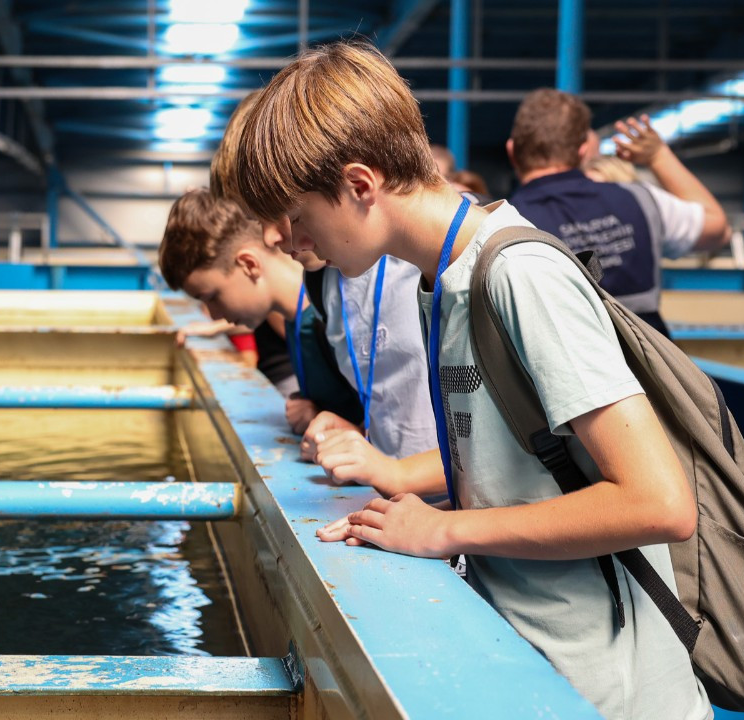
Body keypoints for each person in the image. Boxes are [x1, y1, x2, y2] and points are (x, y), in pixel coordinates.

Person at [231, 39, 709, 720]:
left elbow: (660, 504)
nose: (295, 243)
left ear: (360, 186)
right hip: (534, 665)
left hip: (610, 694)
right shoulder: (442, 284)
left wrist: (447, 532)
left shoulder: (518, 275)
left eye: (301, 218)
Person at [211, 90, 438, 465]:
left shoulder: (432, 264)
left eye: (281, 214)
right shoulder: (328, 281)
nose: (270, 238)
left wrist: (402, 478)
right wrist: (355, 430)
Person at [506, 90, 731, 337]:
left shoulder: (502, 224)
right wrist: (658, 156)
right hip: (644, 369)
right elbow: (718, 228)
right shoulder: (641, 199)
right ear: (583, 151)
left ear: (512, 151)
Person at [159, 189, 363, 431]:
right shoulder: (297, 316)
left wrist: (342, 426)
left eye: (212, 297)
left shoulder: (334, 313)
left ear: (249, 265)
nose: (213, 314)